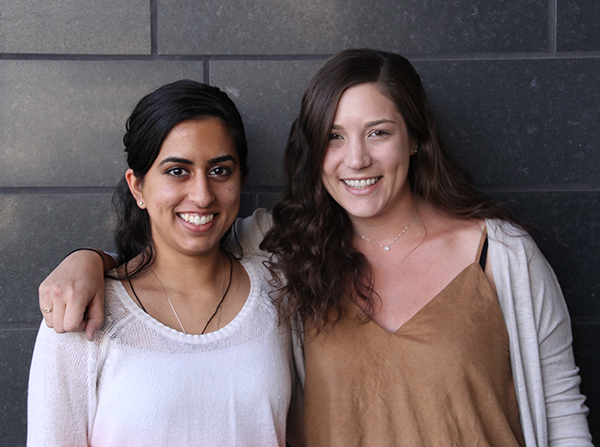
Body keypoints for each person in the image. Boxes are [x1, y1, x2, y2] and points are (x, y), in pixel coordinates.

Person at [38, 50, 592, 446]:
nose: (356, 159)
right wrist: (92, 261)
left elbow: (564, 414)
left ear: (417, 137)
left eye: (379, 132)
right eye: (334, 135)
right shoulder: (285, 252)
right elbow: (185, 239)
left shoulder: (503, 257)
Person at [28, 80, 302, 447]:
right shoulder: (80, 314)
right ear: (138, 187)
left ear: (242, 180)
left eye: (220, 170)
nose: (202, 195)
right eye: (177, 171)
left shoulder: (277, 290)